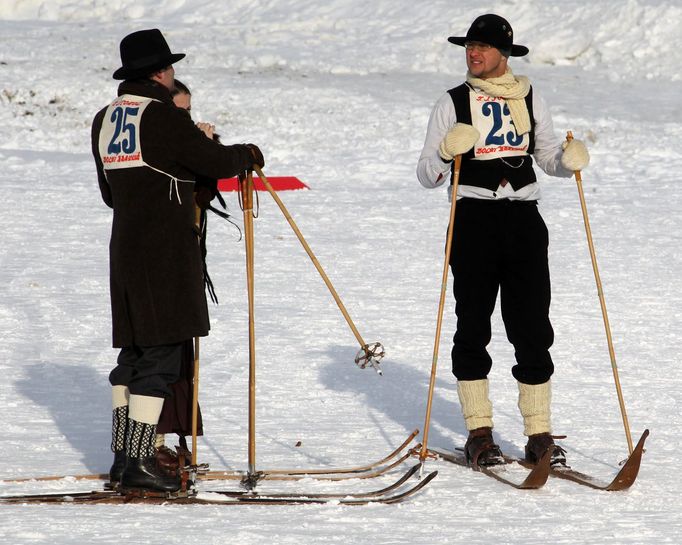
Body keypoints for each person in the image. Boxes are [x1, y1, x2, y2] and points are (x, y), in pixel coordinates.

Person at [91, 28, 264, 493]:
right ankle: (142, 462)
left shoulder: (104, 118)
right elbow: (214, 161)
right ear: (159, 72)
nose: (173, 76)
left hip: (124, 248)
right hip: (163, 253)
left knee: (133, 355)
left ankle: (124, 459)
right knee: (162, 355)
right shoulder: (163, 116)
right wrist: (243, 154)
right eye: (170, 68)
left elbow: (111, 193)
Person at [416, 14, 590, 468]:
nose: (473, 54)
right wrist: (444, 151)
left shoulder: (531, 96)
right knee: (473, 324)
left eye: (482, 47)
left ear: (504, 54)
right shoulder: (451, 102)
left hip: (524, 221)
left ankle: (538, 436)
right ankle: (479, 432)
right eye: (469, 46)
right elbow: (427, 177)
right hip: (472, 218)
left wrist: (568, 161)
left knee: (532, 326)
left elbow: (548, 156)